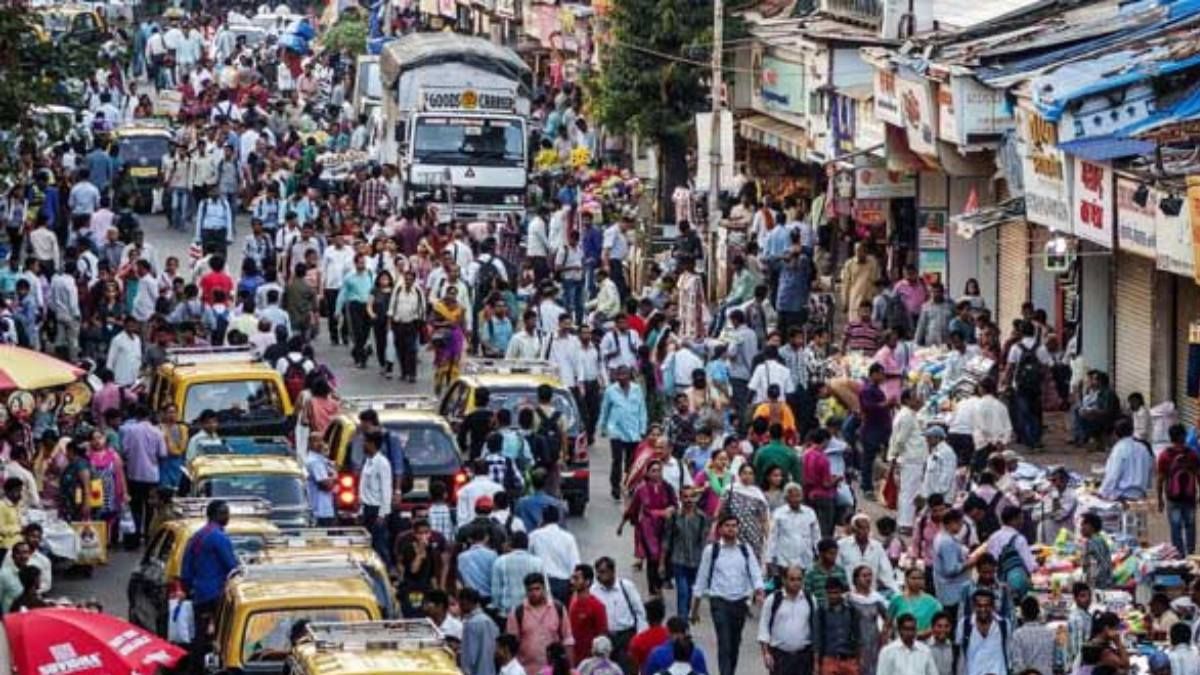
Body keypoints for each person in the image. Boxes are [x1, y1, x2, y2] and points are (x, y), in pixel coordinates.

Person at [691, 514, 765, 675]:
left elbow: (755, 573)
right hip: (719, 601)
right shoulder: (712, 551)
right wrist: (694, 609)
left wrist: (759, 592)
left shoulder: (745, 550)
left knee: (735, 642)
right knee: (724, 642)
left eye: (734, 525)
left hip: (740, 601)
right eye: (727, 525)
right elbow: (702, 578)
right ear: (720, 529)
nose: (731, 529)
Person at [181, 501, 238, 670]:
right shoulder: (218, 537)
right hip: (216, 593)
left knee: (200, 632)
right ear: (216, 515)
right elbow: (232, 566)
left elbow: (186, 568)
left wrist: (189, 587)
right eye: (225, 513)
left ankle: (196, 667)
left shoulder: (197, 535)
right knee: (223, 633)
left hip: (200, 593)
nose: (228, 517)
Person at [505, 573, 574, 674]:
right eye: (530, 590)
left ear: (544, 588)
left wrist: (570, 668)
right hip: (527, 670)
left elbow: (568, 640)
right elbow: (510, 646)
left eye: (537, 589)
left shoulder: (557, 608)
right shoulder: (517, 613)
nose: (534, 593)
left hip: (555, 671)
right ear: (526, 591)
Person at [598, 365, 648, 500]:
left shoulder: (637, 390)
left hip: (634, 431)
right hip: (616, 431)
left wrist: (643, 429)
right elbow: (605, 410)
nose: (622, 378)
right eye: (619, 375)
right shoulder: (610, 391)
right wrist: (602, 427)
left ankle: (630, 484)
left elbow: (642, 410)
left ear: (629, 375)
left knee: (631, 461)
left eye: (625, 375)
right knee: (617, 460)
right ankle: (615, 486)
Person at [662, 485, 710, 619]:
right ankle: (682, 621)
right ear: (680, 498)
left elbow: (704, 542)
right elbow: (666, 539)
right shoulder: (675, 516)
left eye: (692, 496)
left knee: (689, 591)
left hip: (695, 561)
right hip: (678, 560)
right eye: (686, 497)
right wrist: (662, 562)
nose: (689, 500)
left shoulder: (702, 518)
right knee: (682, 591)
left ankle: (684, 618)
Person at [755, 565, 813, 675]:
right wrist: (766, 653)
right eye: (792, 579)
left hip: (804, 658)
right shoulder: (773, 600)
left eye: (799, 579)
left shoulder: (809, 599)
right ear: (784, 580)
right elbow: (764, 628)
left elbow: (815, 627)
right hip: (780, 658)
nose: (796, 583)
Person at [888, 388, 927, 533]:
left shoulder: (909, 415)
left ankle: (904, 521)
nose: (918, 400)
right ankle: (905, 523)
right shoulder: (907, 417)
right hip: (910, 459)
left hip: (911, 459)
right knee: (909, 492)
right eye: (915, 397)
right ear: (907, 401)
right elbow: (900, 440)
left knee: (908, 491)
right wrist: (894, 456)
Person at [1158, 423, 1199, 553]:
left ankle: (1179, 557)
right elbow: (1199, 475)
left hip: (1173, 499)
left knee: (1175, 528)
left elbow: (1160, 479)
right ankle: (1191, 555)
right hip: (1190, 497)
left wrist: (1160, 500)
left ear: (1170, 438)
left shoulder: (1165, 455)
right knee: (1190, 527)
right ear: (1185, 436)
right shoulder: (1192, 454)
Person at [932, 508, 976, 627]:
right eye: (960, 523)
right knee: (955, 624)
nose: (961, 527)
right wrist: (969, 563)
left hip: (948, 589)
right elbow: (951, 569)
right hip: (952, 591)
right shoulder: (946, 542)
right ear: (952, 522)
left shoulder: (943, 537)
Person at [529, 505, 580, 607]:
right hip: (563, 585)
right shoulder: (568, 538)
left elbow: (529, 558)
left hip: (542, 582)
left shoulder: (534, 536)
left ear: (543, 518)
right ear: (558, 518)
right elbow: (575, 564)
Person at [986, 505, 1036, 600]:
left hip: (995, 584)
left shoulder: (993, 537)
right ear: (1014, 520)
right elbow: (1030, 567)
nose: (1023, 522)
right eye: (1021, 518)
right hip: (1014, 586)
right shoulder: (1019, 539)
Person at [957, 589, 1011, 675]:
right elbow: (960, 655)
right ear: (973, 606)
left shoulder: (1004, 624)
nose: (983, 609)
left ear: (993, 606)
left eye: (987, 605)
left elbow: (1009, 652)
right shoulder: (964, 625)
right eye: (979, 605)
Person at [358, 431, 393, 564]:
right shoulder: (367, 461)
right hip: (367, 508)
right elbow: (363, 486)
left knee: (380, 545)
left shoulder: (382, 463)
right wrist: (361, 509)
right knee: (368, 544)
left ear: (372, 444)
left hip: (377, 509)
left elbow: (386, 490)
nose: (363, 444)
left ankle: (387, 572)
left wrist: (382, 514)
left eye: (365, 442)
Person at [1098, 417, 1153, 501]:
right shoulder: (1143, 448)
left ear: (1115, 433)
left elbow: (1113, 475)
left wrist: (1102, 493)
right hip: (1140, 495)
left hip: (1122, 495)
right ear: (1132, 431)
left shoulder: (1119, 449)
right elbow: (1149, 473)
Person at [569, 563, 610, 666]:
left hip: (591, 662)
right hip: (575, 660)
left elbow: (602, 636)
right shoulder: (572, 602)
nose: (572, 582)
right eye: (573, 578)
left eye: (576, 578)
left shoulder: (597, 606)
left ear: (587, 582)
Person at [887, 566, 942, 636]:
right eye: (913, 578)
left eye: (920, 578)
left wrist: (923, 634)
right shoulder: (897, 599)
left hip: (925, 641)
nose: (917, 581)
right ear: (906, 579)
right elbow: (887, 625)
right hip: (901, 641)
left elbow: (938, 624)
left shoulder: (932, 602)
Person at [1011, 596, 1054, 675]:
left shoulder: (1018, 635)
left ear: (1022, 613)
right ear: (1038, 613)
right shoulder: (1050, 633)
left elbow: (1018, 666)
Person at [459, 588, 499, 675]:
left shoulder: (471, 624)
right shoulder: (489, 620)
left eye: (461, 603)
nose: (460, 607)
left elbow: (469, 656)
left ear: (467, 602)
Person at [627, 598, 668, 671]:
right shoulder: (670, 636)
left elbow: (633, 668)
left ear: (647, 617)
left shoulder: (638, 640)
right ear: (663, 615)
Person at [1080, 512, 1113, 589]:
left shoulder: (1093, 541)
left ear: (1092, 527)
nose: (1081, 528)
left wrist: (1093, 582)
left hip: (1099, 585)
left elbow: (1102, 564)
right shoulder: (1098, 539)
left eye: (1084, 525)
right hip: (1101, 583)